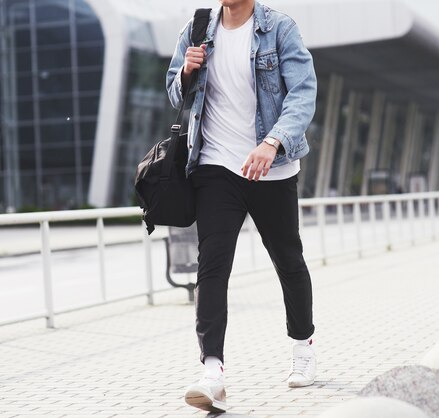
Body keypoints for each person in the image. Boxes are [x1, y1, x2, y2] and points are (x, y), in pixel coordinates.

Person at [166, 0, 317, 412]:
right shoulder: (197, 29)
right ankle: (212, 370)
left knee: (288, 259)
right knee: (212, 265)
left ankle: (303, 345)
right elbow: (173, 89)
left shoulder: (280, 29)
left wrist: (273, 142)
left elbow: (303, 93)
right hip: (215, 166)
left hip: (272, 166)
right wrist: (185, 72)